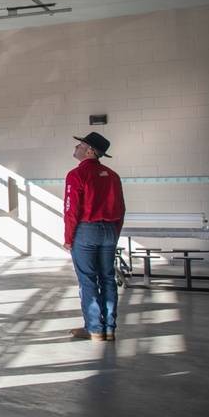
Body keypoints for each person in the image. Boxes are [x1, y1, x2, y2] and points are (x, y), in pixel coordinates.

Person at [64, 132, 125, 342]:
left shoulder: (76, 175)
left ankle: (94, 328)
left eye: (79, 145)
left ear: (90, 151)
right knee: (108, 279)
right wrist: (114, 233)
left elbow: (72, 209)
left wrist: (68, 237)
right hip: (109, 230)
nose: (76, 149)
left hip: (86, 230)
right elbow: (121, 208)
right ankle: (109, 328)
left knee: (88, 280)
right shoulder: (113, 175)